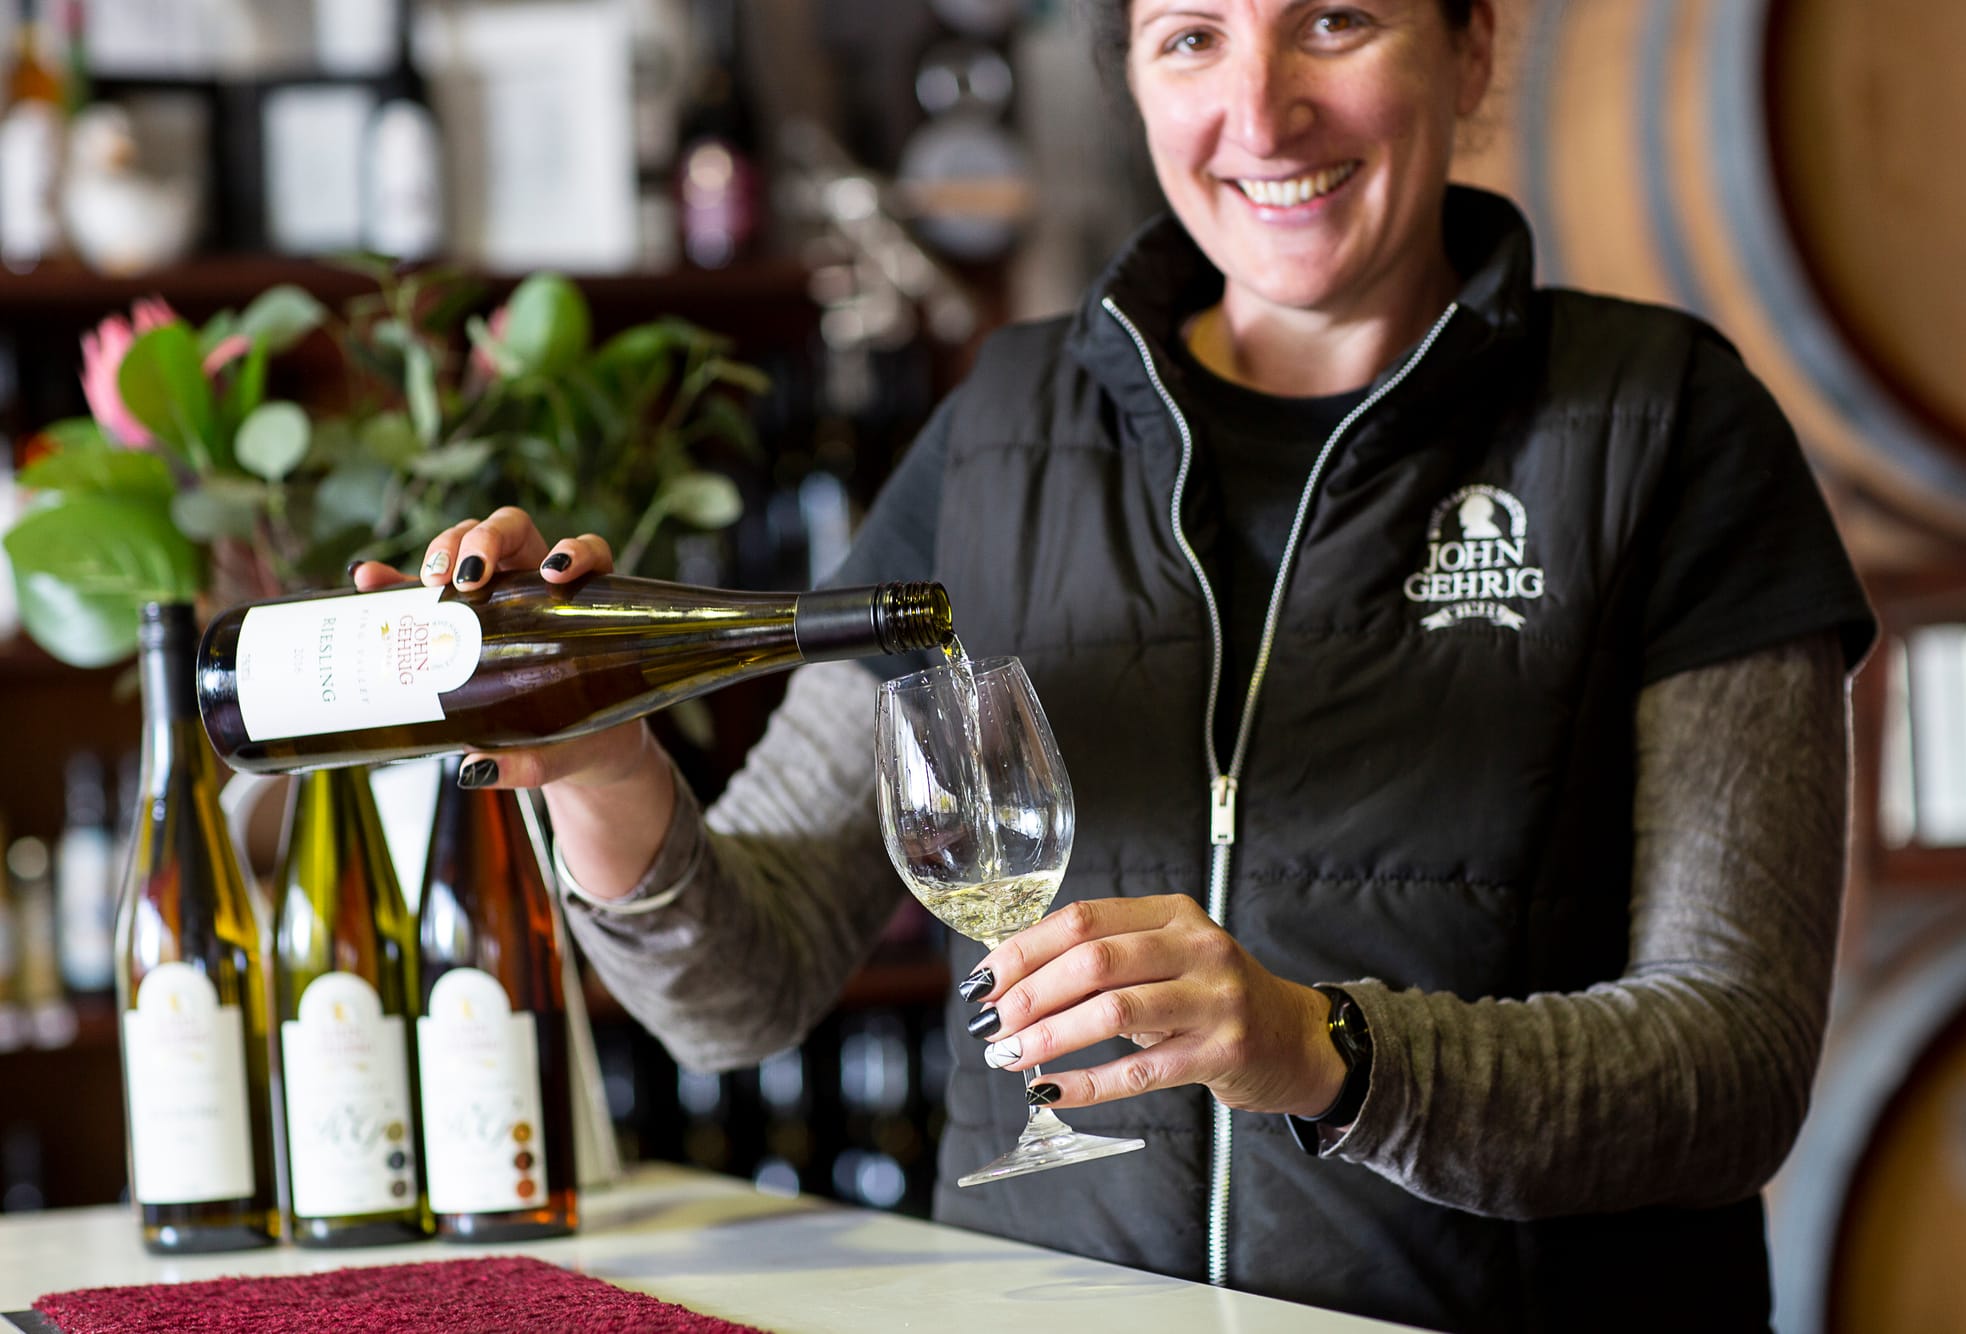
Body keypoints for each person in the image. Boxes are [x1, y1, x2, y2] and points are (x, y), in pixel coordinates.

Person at [359, 1, 1876, 1328]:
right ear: (1136, 80)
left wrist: (1326, 1050)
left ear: (1472, 46)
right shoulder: (999, 427)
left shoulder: (1665, 425)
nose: (1262, 112)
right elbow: (742, 988)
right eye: (1191, 37)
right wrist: (600, 766)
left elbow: (1731, 1067)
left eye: (1336, 20)